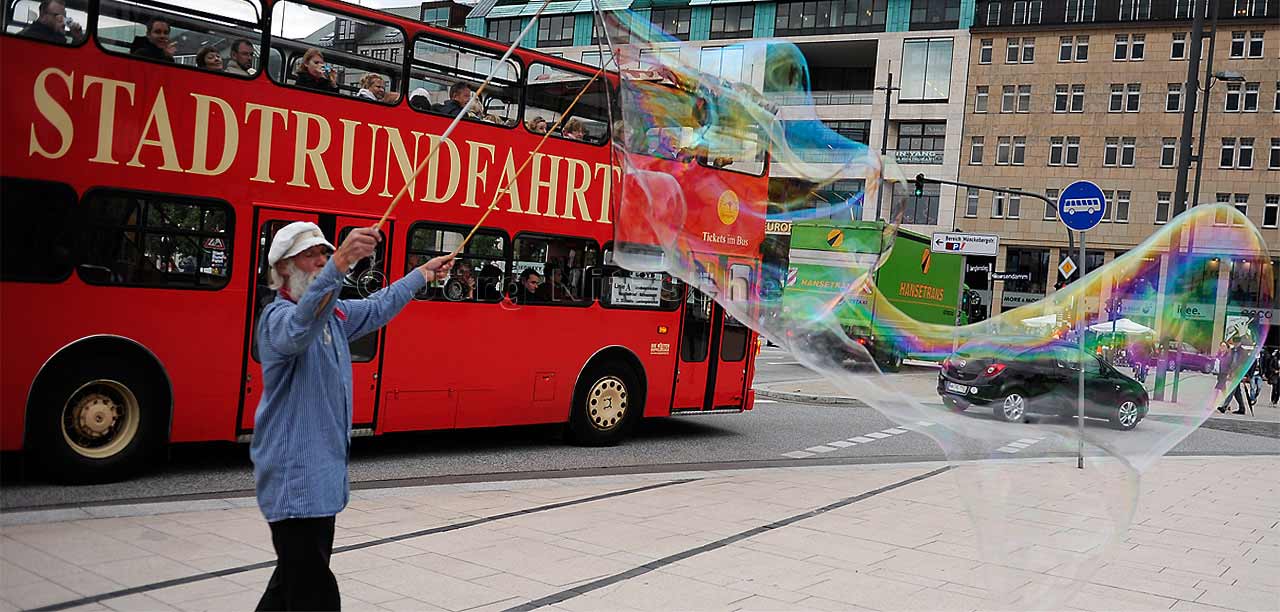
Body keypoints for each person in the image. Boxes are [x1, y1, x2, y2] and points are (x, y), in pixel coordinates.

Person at [251, 222, 453, 611]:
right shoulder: (278, 319)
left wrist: (421, 274)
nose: (322, 262)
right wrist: (342, 261)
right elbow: (300, 326)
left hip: (319, 483)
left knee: (291, 583)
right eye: (311, 256)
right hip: (295, 483)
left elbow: (378, 307)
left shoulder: (336, 314)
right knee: (315, 593)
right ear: (282, 270)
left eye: (325, 254)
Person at [19, 0, 83, 44]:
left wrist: (77, 38)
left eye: (64, 17)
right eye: (57, 16)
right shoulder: (31, 34)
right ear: (43, 15)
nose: (62, 21)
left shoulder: (52, 33)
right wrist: (59, 33)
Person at [1216, 339, 1247, 415]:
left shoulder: (1243, 352)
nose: (1236, 344)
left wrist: (1245, 375)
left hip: (1239, 373)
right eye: (1235, 342)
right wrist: (1228, 372)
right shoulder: (1232, 351)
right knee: (1237, 392)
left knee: (1231, 389)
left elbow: (1246, 364)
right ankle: (1242, 408)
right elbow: (1229, 361)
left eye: (1237, 343)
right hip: (1232, 372)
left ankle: (1224, 406)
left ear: (1240, 343)